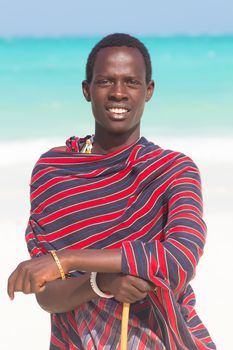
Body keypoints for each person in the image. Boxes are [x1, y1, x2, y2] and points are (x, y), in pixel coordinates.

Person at [7, 33, 216, 350]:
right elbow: (48, 295)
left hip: (164, 341)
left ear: (148, 91)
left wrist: (67, 258)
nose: (118, 93)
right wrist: (100, 283)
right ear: (86, 90)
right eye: (105, 81)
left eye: (131, 82)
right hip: (74, 342)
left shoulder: (173, 170)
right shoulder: (53, 171)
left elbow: (178, 260)